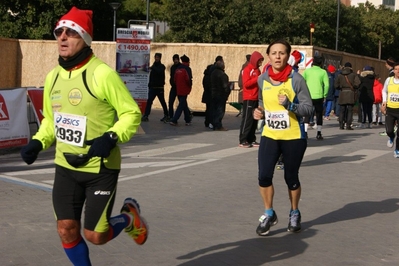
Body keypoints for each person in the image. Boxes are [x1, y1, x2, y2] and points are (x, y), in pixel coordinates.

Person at [19, 7, 147, 265]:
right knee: (66, 229)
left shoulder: (102, 74)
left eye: (71, 32)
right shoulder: (53, 76)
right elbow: (51, 121)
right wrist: (37, 141)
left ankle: (129, 218)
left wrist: (111, 137)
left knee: (95, 236)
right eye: (59, 32)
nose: (63, 37)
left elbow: (131, 114)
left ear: (85, 38)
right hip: (65, 165)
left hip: (100, 168)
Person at [253, 39, 313, 236]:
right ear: (268, 56)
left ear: (288, 56)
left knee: (291, 177)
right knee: (263, 176)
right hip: (270, 134)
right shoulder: (263, 79)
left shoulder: (296, 80)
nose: (278, 56)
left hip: (293, 136)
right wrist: (259, 112)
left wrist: (290, 105)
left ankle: (294, 212)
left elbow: (309, 109)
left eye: (282, 53)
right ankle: (269, 213)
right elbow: (262, 102)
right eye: (274, 53)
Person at [239, 51, 264, 147]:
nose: (260, 63)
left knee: (255, 119)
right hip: (249, 97)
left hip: (256, 97)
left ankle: (251, 138)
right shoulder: (247, 70)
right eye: (259, 61)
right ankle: (243, 139)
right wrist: (257, 78)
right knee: (247, 119)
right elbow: (246, 84)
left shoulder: (257, 70)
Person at [302, 56, 329, 140]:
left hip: (308, 95)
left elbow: (302, 82)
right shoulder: (323, 72)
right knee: (319, 114)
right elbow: (327, 85)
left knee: (307, 114)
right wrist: (325, 95)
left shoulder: (307, 71)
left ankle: (305, 132)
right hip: (319, 96)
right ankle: (319, 133)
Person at [142, 53, 169, 122]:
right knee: (149, 101)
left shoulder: (162, 66)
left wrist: (152, 67)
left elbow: (159, 71)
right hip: (153, 88)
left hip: (159, 88)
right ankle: (146, 115)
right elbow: (151, 77)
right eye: (156, 57)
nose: (157, 58)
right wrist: (149, 84)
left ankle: (166, 115)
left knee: (162, 102)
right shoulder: (153, 66)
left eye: (158, 57)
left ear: (160, 58)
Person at [334, 62, 361, 130]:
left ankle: (341, 125)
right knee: (350, 110)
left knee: (342, 110)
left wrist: (341, 88)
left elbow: (336, 85)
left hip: (342, 93)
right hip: (351, 93)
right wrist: (353, 88)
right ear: (351, 67)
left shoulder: (340, 75)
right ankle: (348, 125)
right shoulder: (353, 75)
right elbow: (357, 83)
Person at [381, 62, 399, 158]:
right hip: (390, 109)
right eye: (396, 69)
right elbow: (384, 91)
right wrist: (384, 101)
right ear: (394, 70)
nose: (398, 71)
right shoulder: (389, 80)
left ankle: (397, 150)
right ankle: (391, 136)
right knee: (389, 130)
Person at [170, 54, 193, 126]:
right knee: (181, 105)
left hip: (178, 89)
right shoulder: (187, 69)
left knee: (184, 104)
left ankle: (188, 119)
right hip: (184, 89)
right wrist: (189, 87)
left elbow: (174, 79)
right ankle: (174, 120)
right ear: (187, 62)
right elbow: (188, 80)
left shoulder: (177, 69)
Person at [202, 56, 223, 129]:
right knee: (214, 109)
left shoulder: (207, 73)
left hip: (207, 92)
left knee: (208, 108)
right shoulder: (216, 72)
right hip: (213, 93)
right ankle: (213, 123)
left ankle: (207, 122)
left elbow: (204, 83)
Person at [211, 59, 230, 131]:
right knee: (220, 111)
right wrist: (227, 94)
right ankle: (218, 125)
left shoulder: (213, 73)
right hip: (221, 95)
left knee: (215, 110)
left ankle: (215, 124)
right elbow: (226, 86)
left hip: (214, 94)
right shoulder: (222, 75)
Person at [168, 54, 181, 119]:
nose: (175, 60)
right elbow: (171, 76)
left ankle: (188, 116)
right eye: (174, 59)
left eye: (176, 59)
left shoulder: (181, 67)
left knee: (182, 103)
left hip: (179, 87)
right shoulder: (172, 67)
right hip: (173, 87)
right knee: (170, 102)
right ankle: (171, 116)